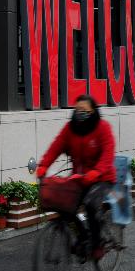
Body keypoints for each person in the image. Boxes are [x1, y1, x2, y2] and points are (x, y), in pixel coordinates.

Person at [36, 95, 116, 260]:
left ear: (93, 112)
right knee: (67, 206)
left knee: (91, 205)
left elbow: (108, 154)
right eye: (77, 110)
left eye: (84, 111)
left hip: (102, 178)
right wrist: (43, 166)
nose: (80, 113)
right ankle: (84, 237)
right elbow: (55, 147)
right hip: (79, 178)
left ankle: (97, 244)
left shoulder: (102, 128)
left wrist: (96, 172)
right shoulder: (70, 128)